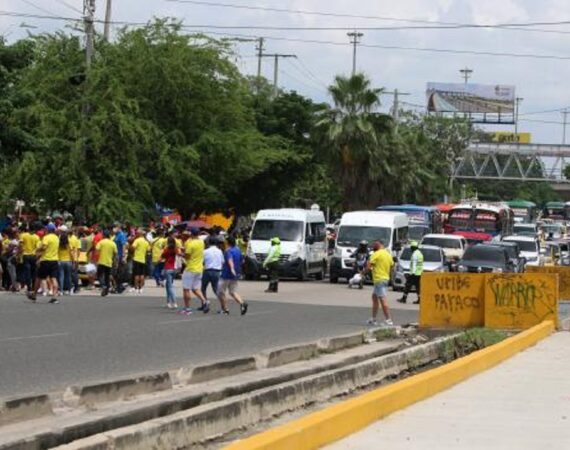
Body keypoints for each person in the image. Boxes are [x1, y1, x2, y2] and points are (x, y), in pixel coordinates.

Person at [28, 223, 60, 304]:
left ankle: (34, 294)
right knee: (54, 278)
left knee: (39, 277)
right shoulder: (57, 238)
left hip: (45, 260)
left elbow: (44, 247)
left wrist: (38, 250)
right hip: (54, 260)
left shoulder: (46, 237)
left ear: (48, 230)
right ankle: (55, 297)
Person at [365, 240, 394, 327]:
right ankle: (373, 319)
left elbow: (369, 266)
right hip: (385, 279)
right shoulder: (388, 254)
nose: (373, 246)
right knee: (374, 297)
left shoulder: (376, 254)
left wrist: (362, 273)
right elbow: (392, 266)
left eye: (375, 244)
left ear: (379, 245)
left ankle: (388, 320)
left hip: (379, 279)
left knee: (382, 299)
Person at [180, 228, 208, 315]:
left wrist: (180, 253)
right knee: (195, 288)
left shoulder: (191, 243)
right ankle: (205, 301)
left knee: (186, 289)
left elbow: (187, 256)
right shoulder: (201, 242)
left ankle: (187, 308)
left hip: (190, 268)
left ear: (191, 234)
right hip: (199, 268)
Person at [217, 236, 248, 315]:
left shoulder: (228, 251)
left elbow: (230, 260)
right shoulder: (238, 250)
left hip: (226, 274)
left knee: (220, 292)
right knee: (232, 292)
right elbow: (242, 261)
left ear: (227, 242)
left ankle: (225, 310)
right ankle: (242, 303)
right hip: (235, 275)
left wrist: (232, 268)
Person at [201, 237, 224, 303]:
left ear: (208, 243)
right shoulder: (220, 251)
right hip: (217, 271)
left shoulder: (205, 251)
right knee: (215, 288)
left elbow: (202, 261)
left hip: (207, 271)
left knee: (203, 288)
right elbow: (222, 262)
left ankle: (205, 302)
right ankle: (223, 303)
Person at [96, 229, 118, 297]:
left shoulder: (101, 242)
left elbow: (97, 251)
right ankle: (106, 290)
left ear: (104, 235)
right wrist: (115, 262)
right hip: (109, 262)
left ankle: (103, 286)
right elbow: (115, 254)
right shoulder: (113, 243)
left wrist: (96, 259)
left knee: (99, 275)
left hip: (101, 261)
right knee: (107, 276)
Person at [20, 223, 40, 293]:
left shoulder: (23, 235)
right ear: (34, 229)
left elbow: (20, 245)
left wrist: (20, 253)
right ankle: (34, 286)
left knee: (27, 272)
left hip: (25, 255)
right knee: (34, 271)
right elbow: (38, 247)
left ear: (28, 229)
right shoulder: (36, 237)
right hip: (33, 256)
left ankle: (29, 287)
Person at [161, 236, 179, 309]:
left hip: (167, 268)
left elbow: (162, 256)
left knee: (170, 286)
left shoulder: (167, 249)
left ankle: (174, 302)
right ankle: (168, 302)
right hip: (174, 269)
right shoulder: (176, 249)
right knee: (168, 285)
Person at [131, 229, 150, 294]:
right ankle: (141, 288)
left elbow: (133, 247)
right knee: (142, 274)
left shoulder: (137, 240)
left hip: (136, 259)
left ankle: (136, 288)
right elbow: (148, 250)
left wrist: (134, 251)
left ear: (139, 234)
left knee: (136, 274)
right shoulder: (145, 241)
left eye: (137, 233)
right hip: (143, 260)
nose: (136, 234)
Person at [57, 226, 74, 295]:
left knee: (61, 276)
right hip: (68, 261)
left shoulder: (58, 245)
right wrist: (73, 261)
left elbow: (56, 253)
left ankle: (61, 290)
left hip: (60, 261)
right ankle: (69, 290)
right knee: (69, 276)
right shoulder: (68, 245)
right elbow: (71, 253)